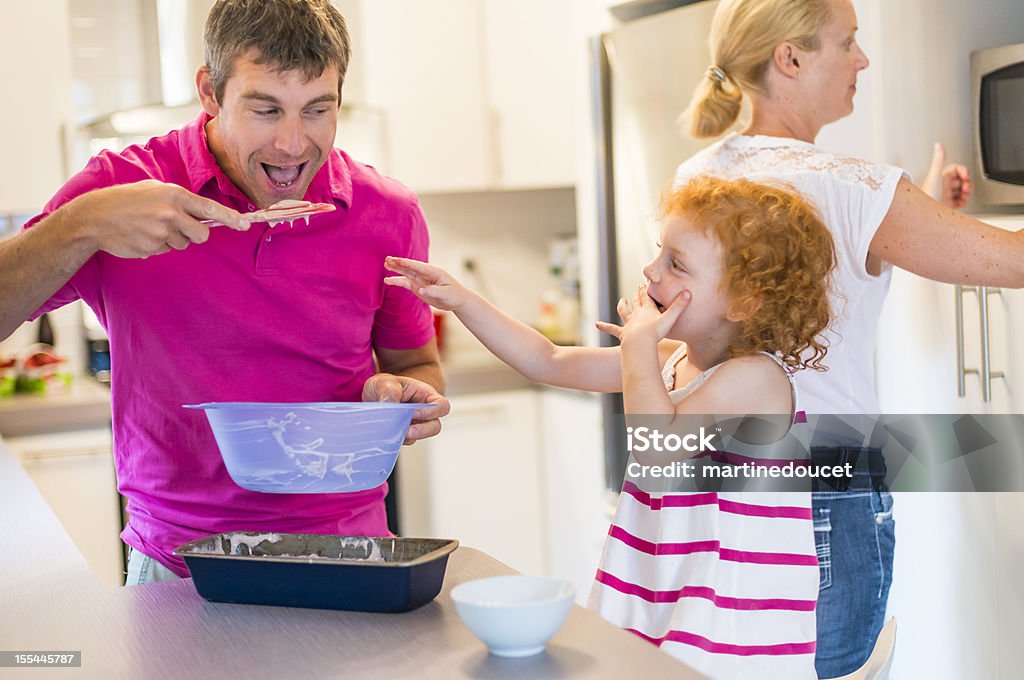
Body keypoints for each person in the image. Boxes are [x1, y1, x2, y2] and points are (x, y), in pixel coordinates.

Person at [0, 0, 449, 584]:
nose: (293, 145)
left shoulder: (387, 212)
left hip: (347, 553)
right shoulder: (120, 190)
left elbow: (416, 361)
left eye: (318, 109)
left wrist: (406, 396)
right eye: (266, 109)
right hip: (177, 564)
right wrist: (81, 223)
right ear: (210, 92)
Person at [675, 0, 1020, 676]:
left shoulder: (697, 178)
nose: (862, 60)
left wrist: (917, 214)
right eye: (848, 42)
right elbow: (1013, 261)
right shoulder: (858, 188)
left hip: (718, 494)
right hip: (823, 502)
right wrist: (909, 215)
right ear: (791, 58)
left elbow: (790, 282)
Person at [386, 175, 837, 679]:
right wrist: (462, 300)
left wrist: (638, 348)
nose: (650, 270)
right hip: (664, 597)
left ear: (744, 303)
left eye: (676, 264)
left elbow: (657, 447)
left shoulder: (756, 379)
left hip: (731, 629)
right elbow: (548, 360)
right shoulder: (672, 360)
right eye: (659, 252)